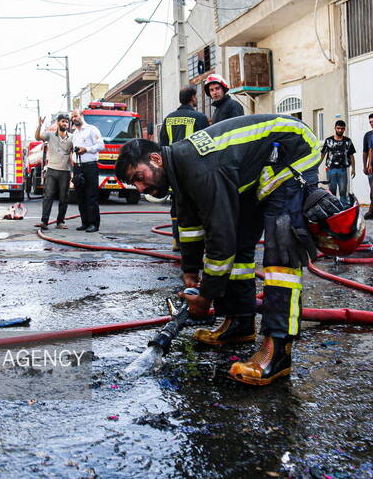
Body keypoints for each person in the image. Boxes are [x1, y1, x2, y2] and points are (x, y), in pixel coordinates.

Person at [115, 114, 321, 386]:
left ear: (155, 159)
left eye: (139, 177)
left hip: (291, 152)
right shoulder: (180, 171)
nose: (142, 188)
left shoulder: (200, 169)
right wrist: (189, 271)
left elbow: (219, 237)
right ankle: (240, 322)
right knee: (239, 244)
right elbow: (189, 225)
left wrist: (206, 296)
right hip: (258, 166)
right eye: (135, 185)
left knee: (280, 255)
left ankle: (278, 351)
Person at [159, 85, 210, 250]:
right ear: (192, 98)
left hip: (174, 170)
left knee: (177, 205)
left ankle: (176, 241)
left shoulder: (168, 119)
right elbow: (206, 144)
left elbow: (163, 145)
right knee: (196, 206)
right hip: (194, 170)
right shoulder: (200, 118)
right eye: (196, 97)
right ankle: (194, 244)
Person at [34, 114, 73, 230]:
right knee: (48, 196)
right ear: (58, 123)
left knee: (63, 198)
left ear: (68, 124)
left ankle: (60, 222)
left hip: (65, 172)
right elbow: (37, 137)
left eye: (66, 122)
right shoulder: (50, 135)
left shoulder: (72, 137)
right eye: (62, 121)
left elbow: (75, 151)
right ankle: (44, 221)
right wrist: (40, 125)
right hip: (51, 170)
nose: (64, 124)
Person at [70, 109, 105, 233]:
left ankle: (93, 224)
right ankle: (84, 222)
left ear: (81, 116)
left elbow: (101, 145)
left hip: (90, 166)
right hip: (78, 166)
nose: (74, 118)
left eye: (76, 116)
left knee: (91, 196)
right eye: (73, 117)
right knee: (80, 196)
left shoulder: (92, 129)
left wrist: (87, 149)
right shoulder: (74, 133)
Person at [321, 120, 356, 206]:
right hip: (330, 169)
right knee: (332, 191)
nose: (340, 130)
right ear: (335, 128)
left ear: (344, 129)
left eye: (342, 129)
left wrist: (353, 169)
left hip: (343, 169)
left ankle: (343, 209)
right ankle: (333, 208)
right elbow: (323, 154)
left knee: (343, 191)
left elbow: (351, 156)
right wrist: (316, 167)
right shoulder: (328, 141)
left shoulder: (348, 141)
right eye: (338, 128)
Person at [362, 113, 373, 188]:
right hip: (372, 168)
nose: (372, 123)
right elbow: (365, 152)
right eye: (370, 122)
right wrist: (365, 166)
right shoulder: (368, 135)